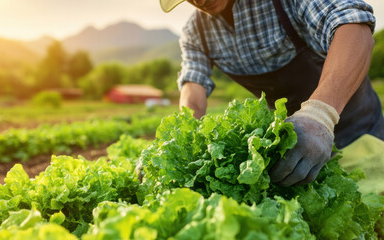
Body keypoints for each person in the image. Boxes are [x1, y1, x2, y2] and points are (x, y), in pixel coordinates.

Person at [159, 0, 384, 186]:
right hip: (293, 147)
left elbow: (353, 26)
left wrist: (320, 115)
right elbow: (193, 84)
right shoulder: (196, 32)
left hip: (358, 132)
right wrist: (179, 143)